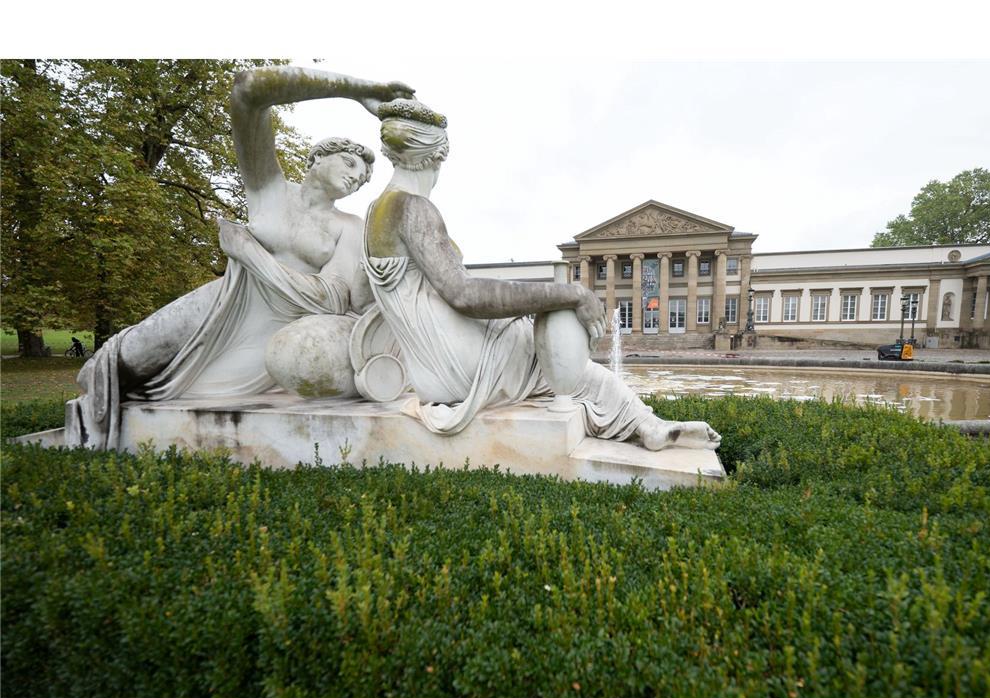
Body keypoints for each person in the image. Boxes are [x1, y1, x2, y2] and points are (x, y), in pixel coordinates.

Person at [66, 66, 413, 449]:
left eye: (363, 178)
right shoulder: (269, 189)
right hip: (226, 301)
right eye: (350, 163)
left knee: (151, 385)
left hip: (269, 333)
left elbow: (332, 299)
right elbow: (247, 91)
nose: (356, 178)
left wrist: (251, 255)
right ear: (317, 157)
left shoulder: (348, 225)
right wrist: (357, 87)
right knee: (113, 364)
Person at [353, 99, 720, 451]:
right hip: (460, 366)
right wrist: (573, 293)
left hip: (429, 370)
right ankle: (644, 423)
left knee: (546, 346)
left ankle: (643, 422)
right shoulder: (414, 207)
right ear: (437, 156)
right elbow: (462, 294)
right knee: (557, 325)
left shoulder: (376, 212)